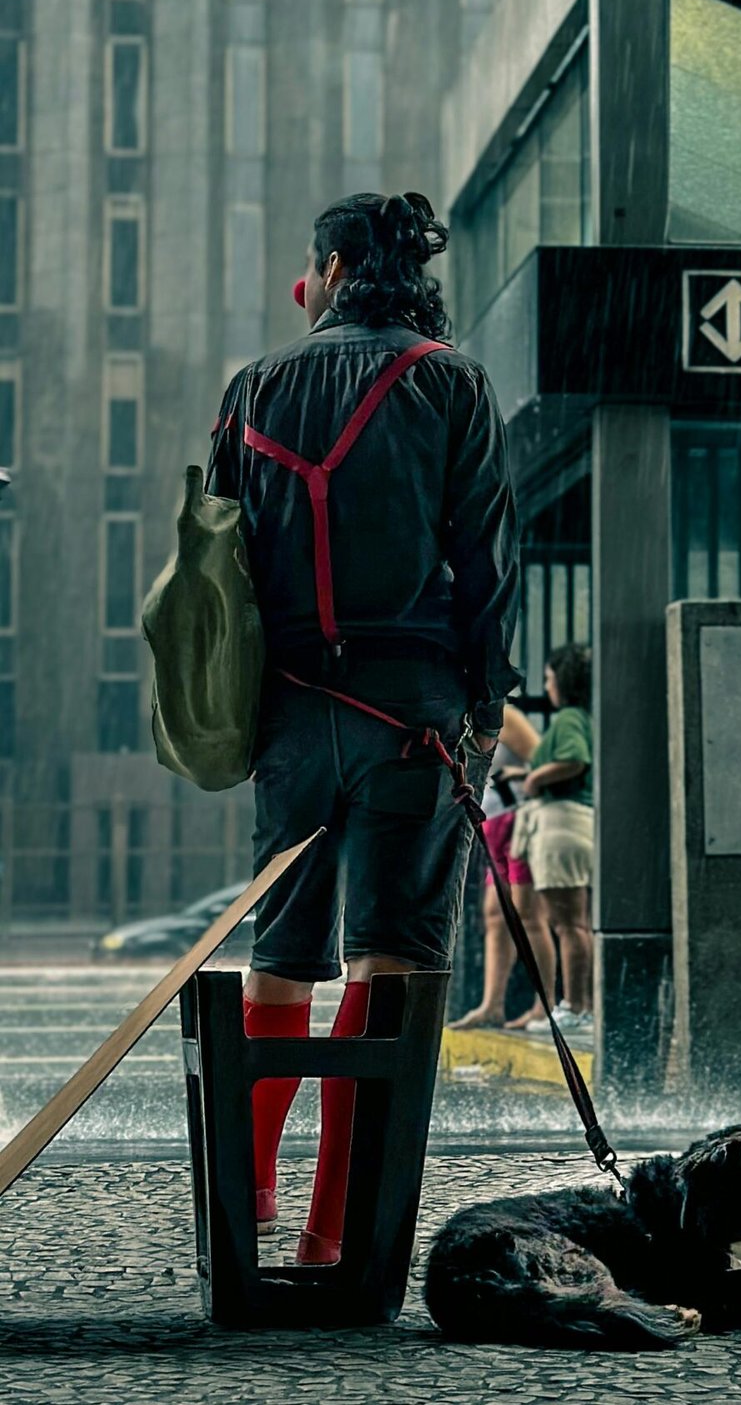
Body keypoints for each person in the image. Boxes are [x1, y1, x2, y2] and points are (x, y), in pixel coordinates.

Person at [207, 191, 519, 1266]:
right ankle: (332, 1235)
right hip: (411, 718)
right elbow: (487, 562)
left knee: (281, 961)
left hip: (293, 711)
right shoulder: (451, 381)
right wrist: (480, 707)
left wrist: (242, 709)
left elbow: (217, 571)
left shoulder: (254, 386)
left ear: (332, 271)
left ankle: (245, 1205)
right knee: (390, 966)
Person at [505, 644, 595, 1038]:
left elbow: (575, 760)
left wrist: (535, 779)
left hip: (562, 823)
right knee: (568, 922)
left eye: (549, 678)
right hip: (560, 822)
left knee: (570, 923)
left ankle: (577, 1006)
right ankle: (575, 1005)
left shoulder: (570, 719)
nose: (547, 685)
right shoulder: (572, 719)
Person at [452, 700, 541, 1030]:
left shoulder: (510, 717)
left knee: (529, 915)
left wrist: (518, 777)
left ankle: (541, 1007)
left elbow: (544, 759)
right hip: (494, 826)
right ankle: (492, 1005)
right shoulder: (465, 719)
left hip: (517, 821)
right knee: (495, 913)